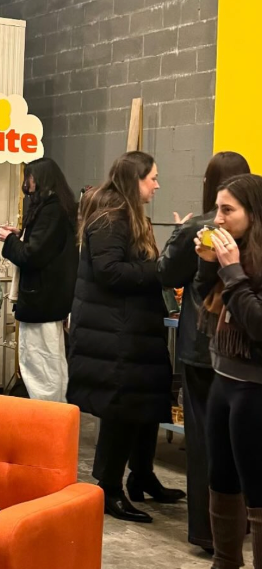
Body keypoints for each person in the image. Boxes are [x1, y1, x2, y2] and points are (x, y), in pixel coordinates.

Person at [66, 151, 180, 523]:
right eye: (153, 178)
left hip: (131, 330)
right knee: (120, 411)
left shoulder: (127, 215)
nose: (157, 185)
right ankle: (108, 488)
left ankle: (142, 476)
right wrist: (159, 270)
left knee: (144, 407)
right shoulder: (111, 216)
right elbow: (110, 272)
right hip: (114, 334)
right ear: (136, 180)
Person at [173, 175, 262, 569]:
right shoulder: (234, 254)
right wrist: (209, 263)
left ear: (254, 215)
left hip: (255, 388)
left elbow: (257, 325)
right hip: (223, 375)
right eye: (218, 208)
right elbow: (209, 307)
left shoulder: (253, 263)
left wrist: (230, 271)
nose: (218, 218)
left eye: (229, 211)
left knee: (258, 493)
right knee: (221, 479)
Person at [159, 151, 250, 550]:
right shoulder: (253, 234)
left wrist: (184, 239)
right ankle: (240, 527)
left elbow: (166, 275)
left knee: (204, 441)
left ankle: (207, 531)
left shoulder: (200, 229)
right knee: (242, 441)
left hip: (203, 346)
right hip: (242, 352)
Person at [0, 157, 78, 401]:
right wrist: (21, 234)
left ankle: (47, 423)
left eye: (28, 176)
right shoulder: (59, 207)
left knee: (40, 366)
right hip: (51, 301)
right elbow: (44, 244)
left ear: (38, 178)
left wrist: (9, 241)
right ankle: (55, 418)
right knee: (51, 363)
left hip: (42, 301)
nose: (26, 182)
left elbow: (32, 254)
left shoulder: (50, 210)